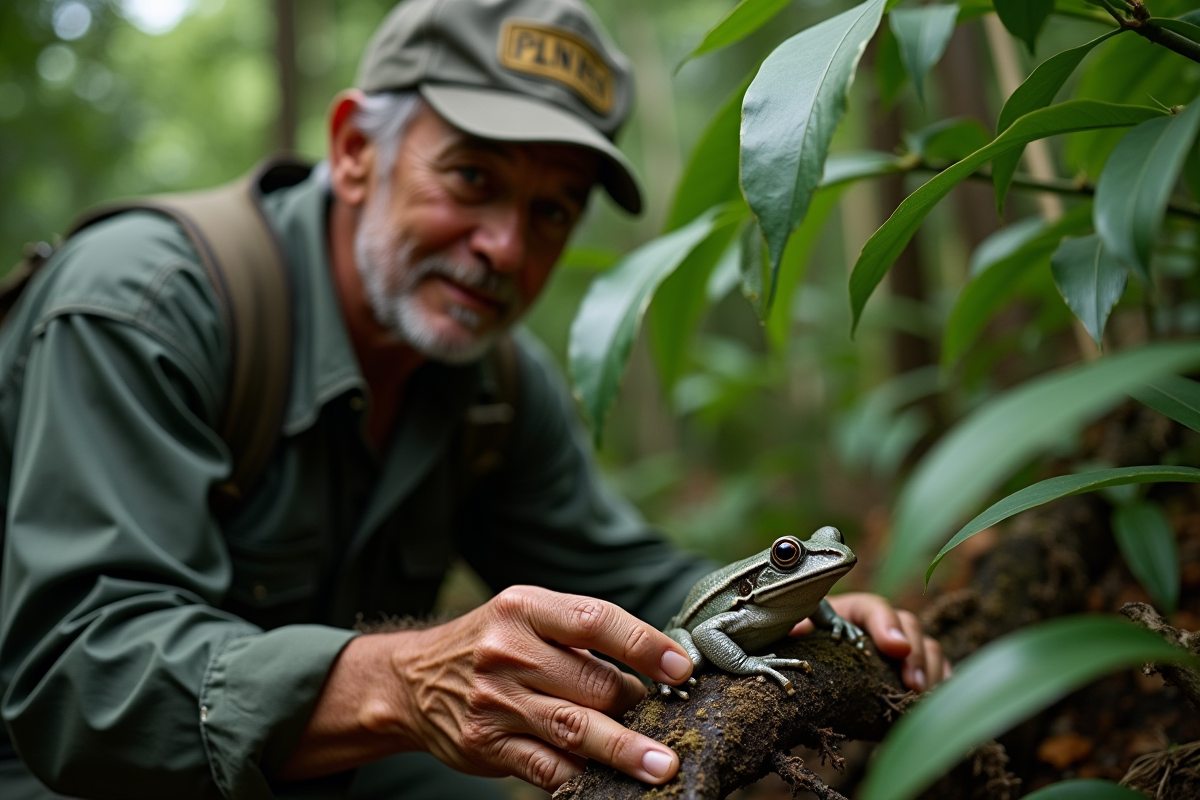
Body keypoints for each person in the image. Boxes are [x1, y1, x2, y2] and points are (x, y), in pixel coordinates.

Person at [0, 0, 947, 798]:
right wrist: (401, 682)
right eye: (471, 177)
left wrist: (809, 612)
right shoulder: (141, 307)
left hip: (299, 764)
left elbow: (626, 579)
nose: (504, 247)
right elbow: (75, 675)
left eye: (550, 211)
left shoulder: (493, 381)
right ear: (354, 150)